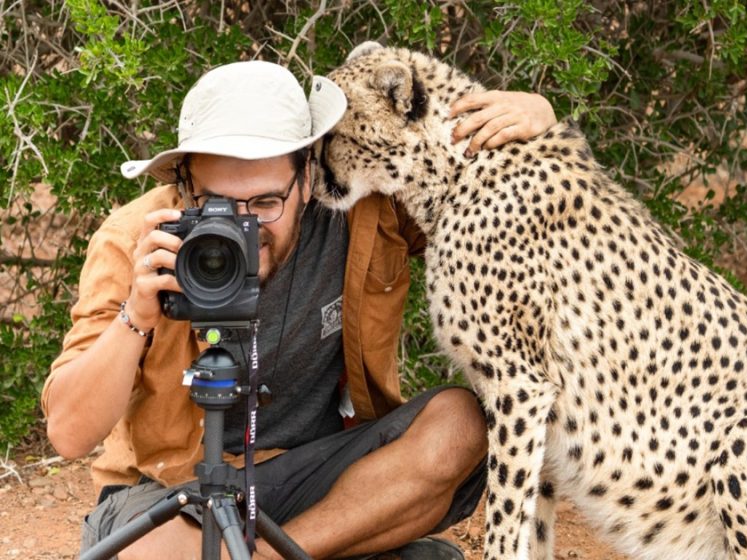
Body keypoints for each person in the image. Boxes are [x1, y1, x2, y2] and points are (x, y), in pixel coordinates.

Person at [41, 59, 556, 559]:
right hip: (172, 487)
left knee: (460, 424)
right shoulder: (139, 238)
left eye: (266, 203)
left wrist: (537, 123)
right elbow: (69, 433)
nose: (245, 226)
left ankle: (270, 555)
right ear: (184, 183)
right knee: (144, 554)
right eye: (216, 203)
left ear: (307, 177)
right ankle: (346, 547)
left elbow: (483, 194)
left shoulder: (359, 213)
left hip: (316, 476)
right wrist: (136, 315)